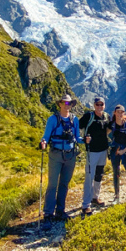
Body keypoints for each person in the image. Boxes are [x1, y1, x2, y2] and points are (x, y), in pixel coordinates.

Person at [39, 94, 81, 222]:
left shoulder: (75, 120)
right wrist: (43, 142)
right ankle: (48, 213)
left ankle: (60, 211)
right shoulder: (52, 119)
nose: (67, 105)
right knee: (52, 184)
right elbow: (46, 136)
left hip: (70, 154)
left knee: (64, 183)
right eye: (65, 103)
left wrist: (86, 140)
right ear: (60, 104)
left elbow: (77, 137)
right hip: (56, 154)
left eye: (69, 103)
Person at [78, 96, 110, 215]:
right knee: (89, 177)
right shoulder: (88, 116)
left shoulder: (106, 117)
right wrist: (82, 139)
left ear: (104, 105)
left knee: (99, 174)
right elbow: (78, 126)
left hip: (103, 150)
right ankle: (86, 204)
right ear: (94, 105)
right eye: (97, 104)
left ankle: (95, 197)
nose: (99, 107)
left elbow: (108, 129)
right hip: (92, 151)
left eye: (101, 104)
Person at [107, 104, 126, 204]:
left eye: (121, 112)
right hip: (115, 151)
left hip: (125, 151)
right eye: (118, 112)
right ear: (115, 113)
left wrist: (124, 150)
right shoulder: (112, 124)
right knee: (116, 173)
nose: (119, 114)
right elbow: (105, 133)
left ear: (124, 113)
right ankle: (117, 196)